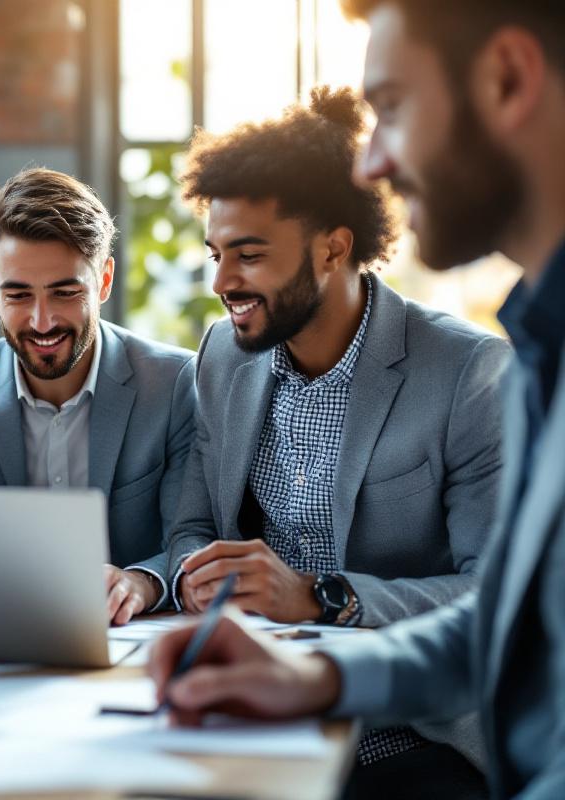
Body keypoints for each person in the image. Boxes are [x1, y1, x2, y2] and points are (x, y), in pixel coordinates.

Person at [150, 1, 565, 798]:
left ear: (508, 79)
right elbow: (507, 619)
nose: (370, 163)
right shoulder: (545, 343)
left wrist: (322, 604)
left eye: (394, 108)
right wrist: (314, 679)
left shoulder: (480, 368)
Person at [0, 168, 196, 623]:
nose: (41, 321)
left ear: (105, 281)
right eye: (18, 295)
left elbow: (192, 537)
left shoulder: (173, 384)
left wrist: (142, 581)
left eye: (65, 292)